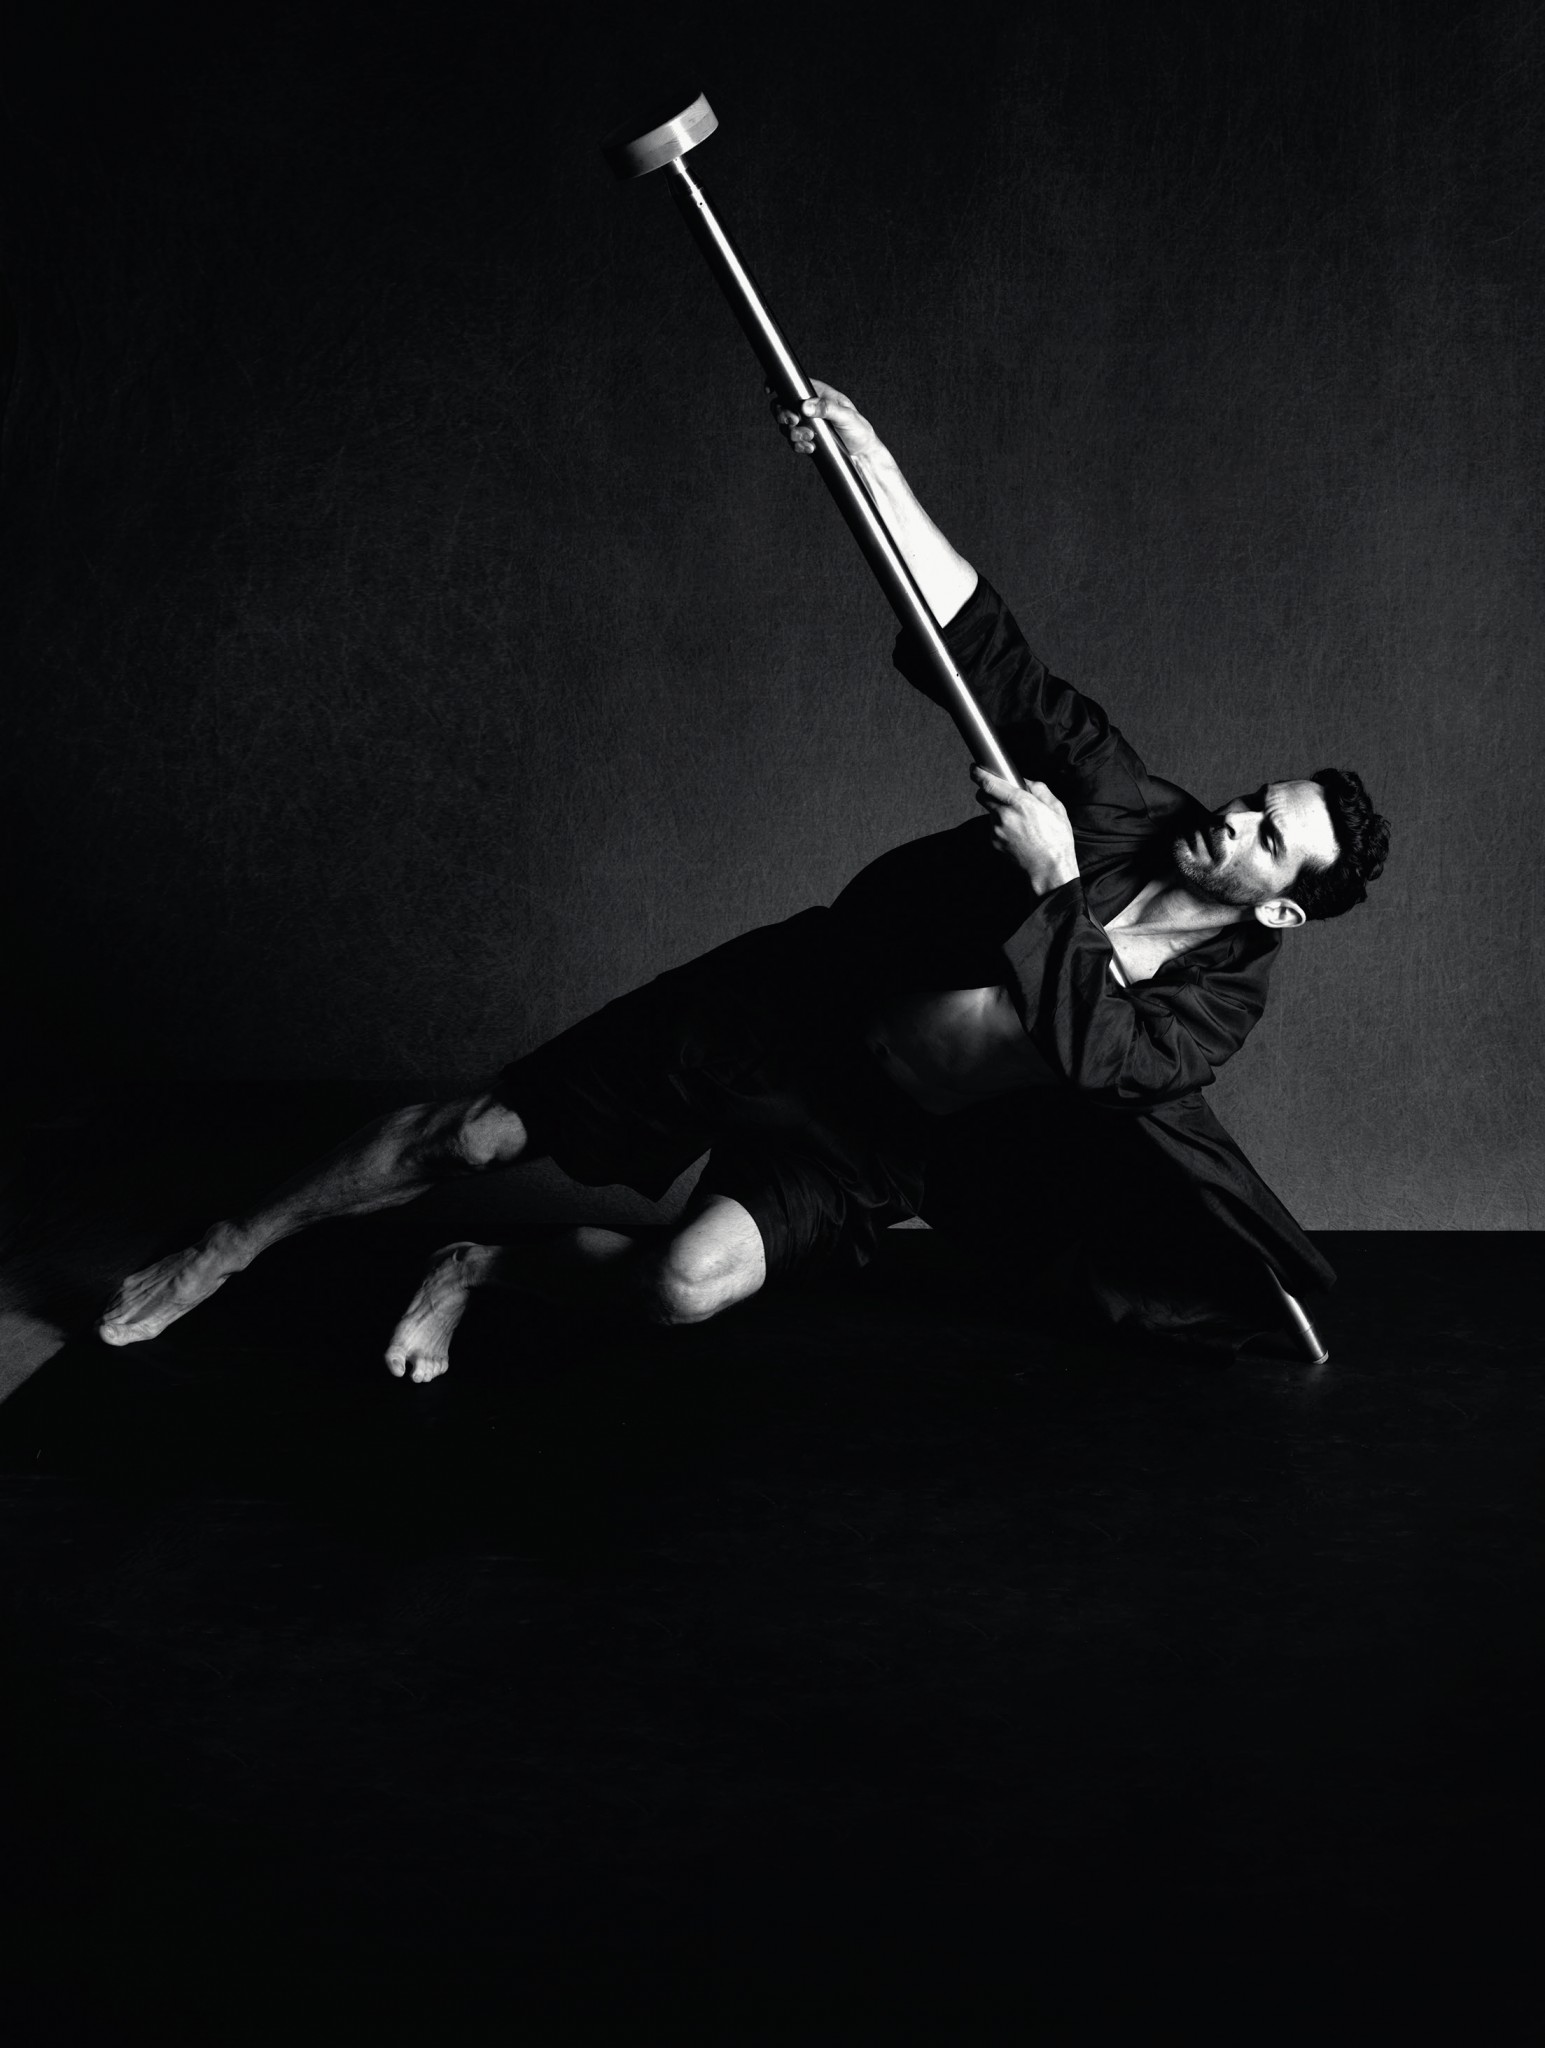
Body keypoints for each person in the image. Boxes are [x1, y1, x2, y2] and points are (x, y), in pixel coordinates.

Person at [97, 383, 1389, 1378]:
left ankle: (477, 1267)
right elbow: (991, 658)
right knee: (479, 1132)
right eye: (1252, 798)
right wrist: (875, 469)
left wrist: (1053, 888)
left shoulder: (1216, 1006)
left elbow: (1103, 1060)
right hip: (791, 1010)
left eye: (1266, 840)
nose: (1232, 820)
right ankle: (232, 1242)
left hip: (881, 1142)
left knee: (686, 1286)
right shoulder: (1120, 802)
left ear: (1282, 907)